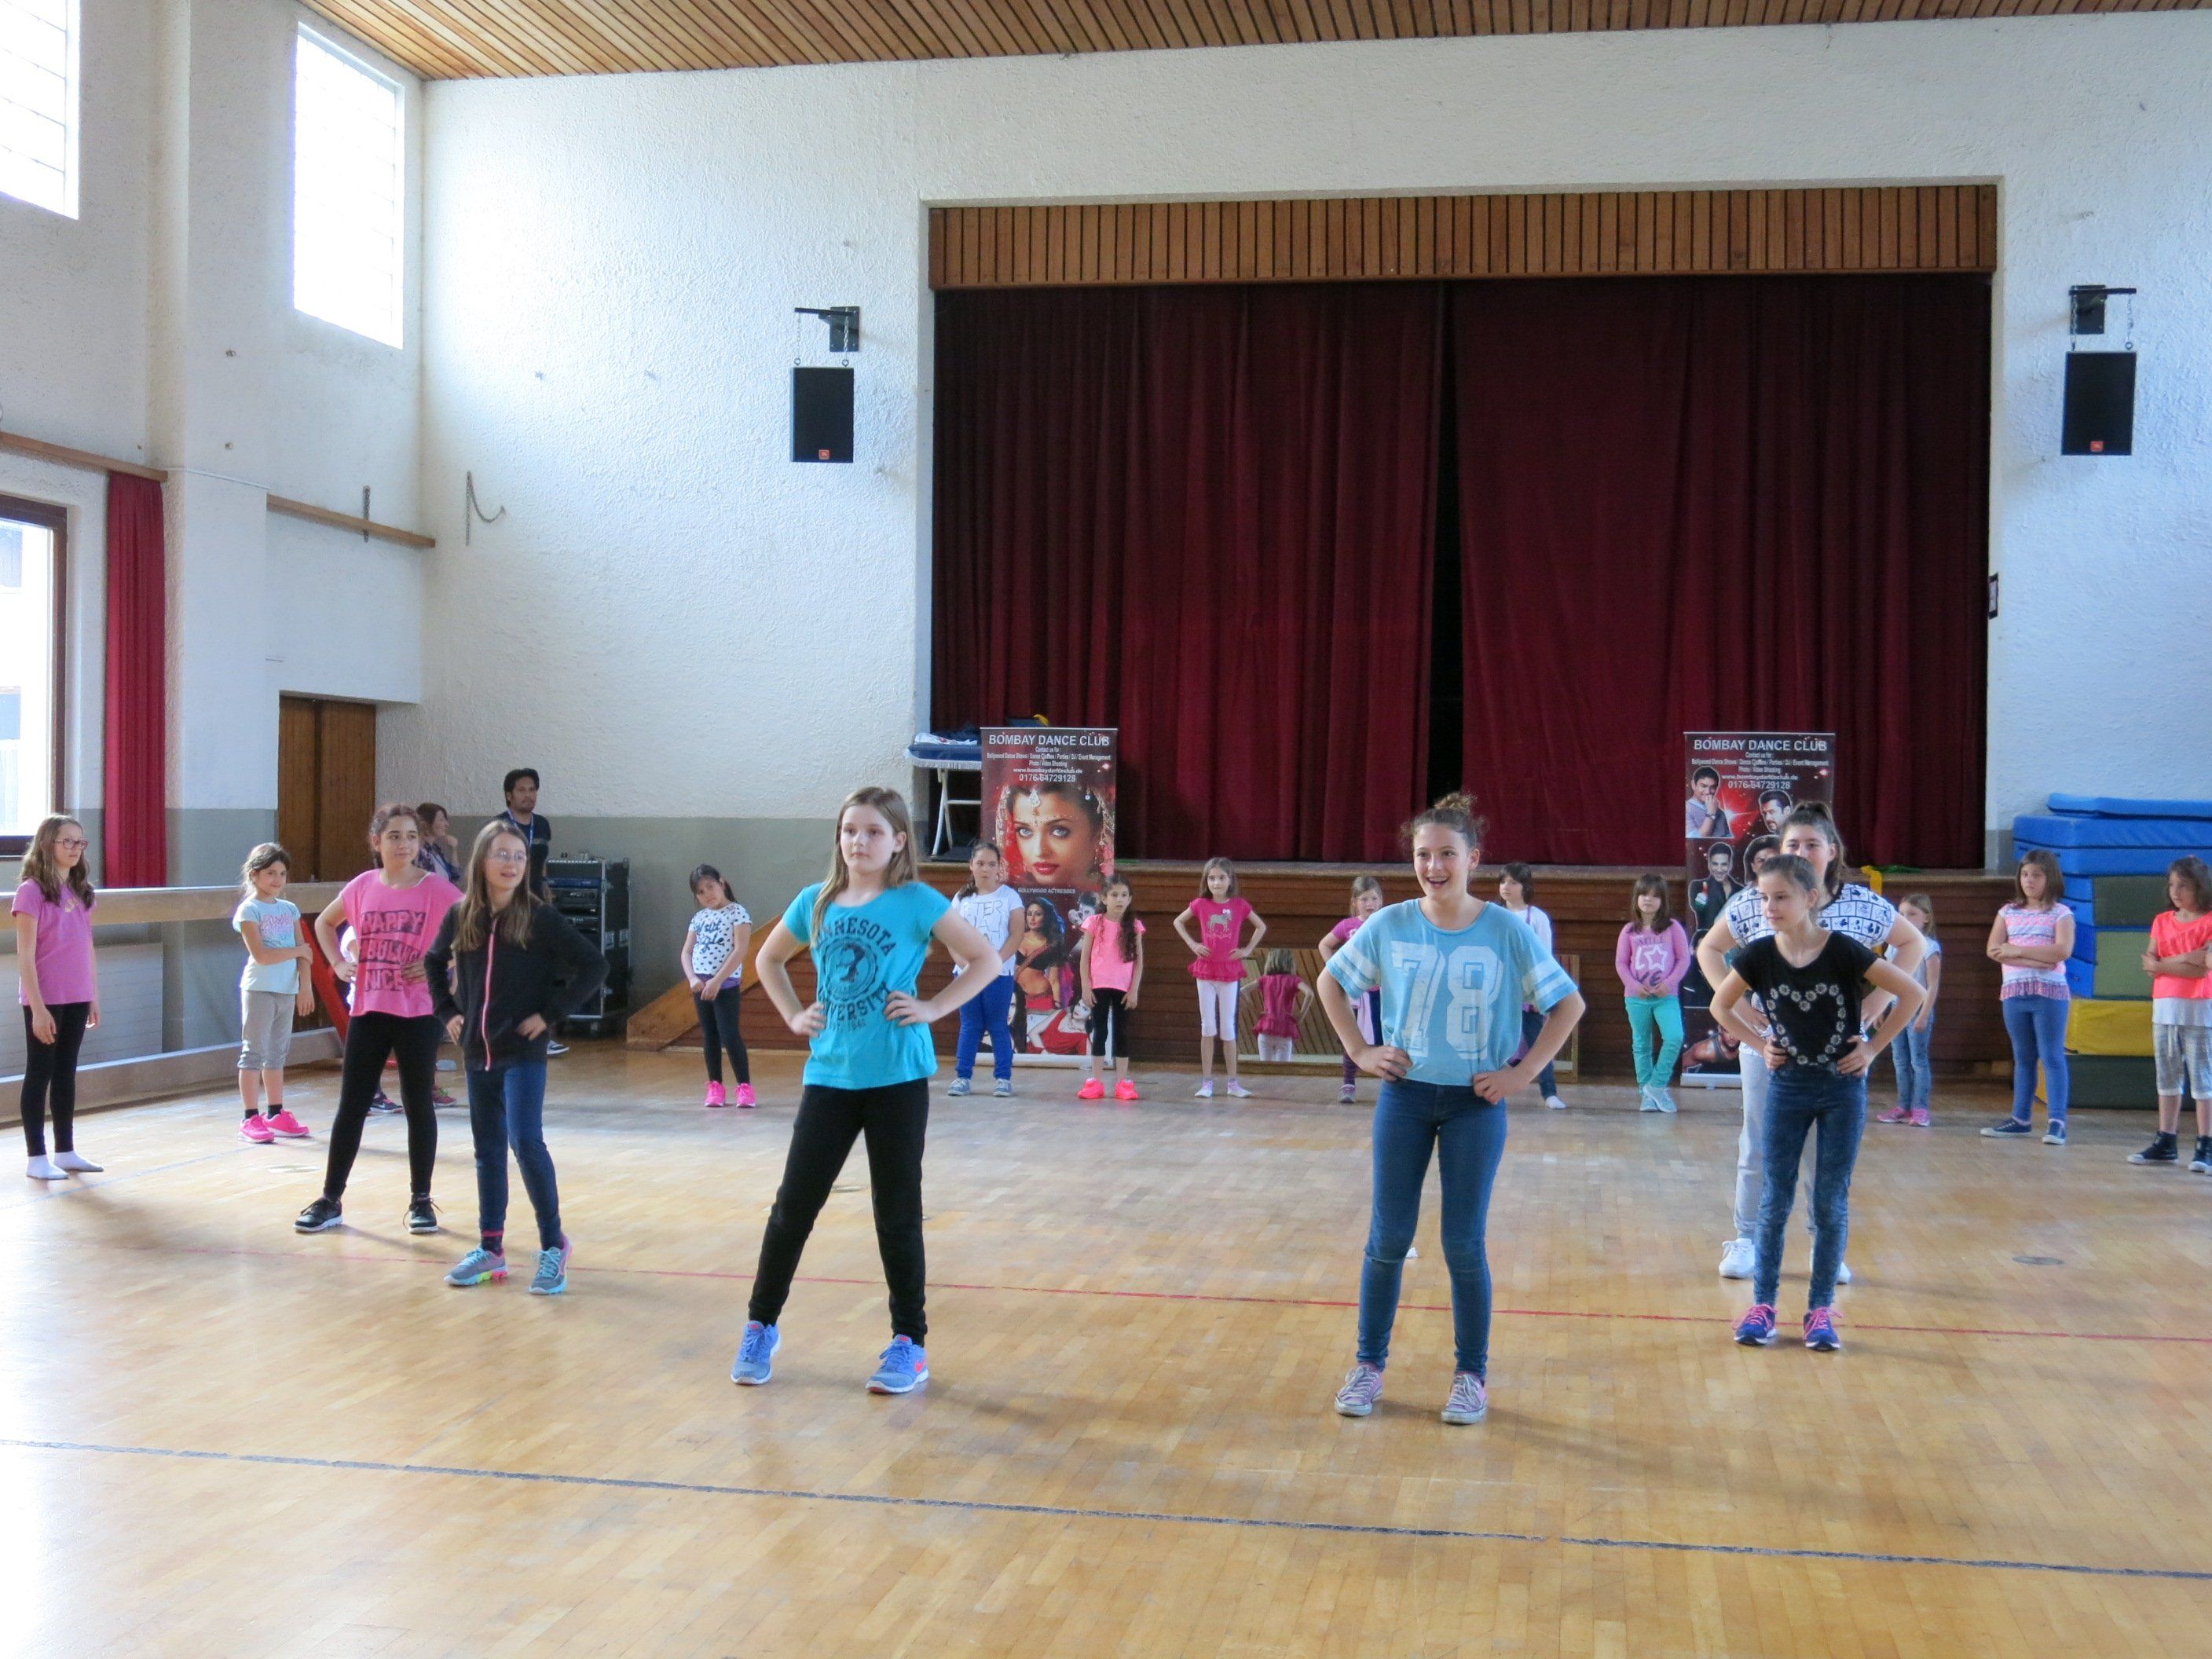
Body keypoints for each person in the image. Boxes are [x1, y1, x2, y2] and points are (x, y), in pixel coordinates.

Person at [1320, 793, 1584, 1426]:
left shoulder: (1506, 930)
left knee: (1463, 1244)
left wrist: (1522, 1073)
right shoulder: (1390, 924)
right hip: (1405, 1099)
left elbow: (1567, 1004)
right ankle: (1368, 1365)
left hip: (1475, 1104)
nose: (1433, 866)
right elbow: (1331, 980)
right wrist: (1359, 1049)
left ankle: (1471, 1375)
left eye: (1447, 854)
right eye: (1423, 855)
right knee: (1389, 1238)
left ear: (1474, 859)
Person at [731, 787, 999, 1394]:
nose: (859, 841)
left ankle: (910, 1344)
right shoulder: (816, 902)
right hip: (830, 1076)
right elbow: (768, 961)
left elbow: (983, 959)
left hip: (897, 1079)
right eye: (850, 830)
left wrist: (933, 1007)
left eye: (874, 831)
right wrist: (793, 1015)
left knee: (897, 1214)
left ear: (898, 840)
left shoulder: (917, 901)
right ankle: (760, 1325)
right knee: (793, 1209)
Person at [1695, 802, 1924, 1282]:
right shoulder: (1758, 901)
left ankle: (1826, 1244)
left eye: (1812, 844)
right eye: (1793, 844)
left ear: (1831, 851)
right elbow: (1710, 949)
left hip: (1837, 1053)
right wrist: (1742, 1011)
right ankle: (1747, 1238)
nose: (1802, 852)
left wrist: (1877, 1001)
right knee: (1759, 1143)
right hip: (1773, 1050)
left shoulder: (1861, 904)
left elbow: (1913, 945)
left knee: (1827, 1155)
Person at [427, 822, 607, 1295]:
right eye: (502, 855)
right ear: (482, 861)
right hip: (477, 1053)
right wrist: (448, 1012)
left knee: (525, 1141)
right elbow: (432, 962)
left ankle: (553, 1245)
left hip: (522, 1053)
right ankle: (491, 1248)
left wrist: (550, 1014)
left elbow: (595, 965)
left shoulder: (539, 917)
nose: (511, 864)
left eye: (519, 857)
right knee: (488, 1151)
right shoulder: (462, 914)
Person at [294, 804, 462, 1236]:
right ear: (376, 842)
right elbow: (325, 923)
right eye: (394, 836)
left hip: (418, 1012)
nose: (404, 844)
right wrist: (337, 963)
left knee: (418, 1103)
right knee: (352, 1105)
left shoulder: (436, 889)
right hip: (369, 1009)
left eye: (411, 836)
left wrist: (442, 963)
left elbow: (474, 931)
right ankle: (330, 1198)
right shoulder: (362, 886)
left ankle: (421, 1200)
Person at [13, 815, 102, 1180]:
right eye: (67, 841)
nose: (75, 848)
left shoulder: (82, 891)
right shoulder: (31, 891)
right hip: (46, 998)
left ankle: (65, 1150)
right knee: (40, 1072)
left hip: (77, 995)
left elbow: (87, 946)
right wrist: (37, 1008)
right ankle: (36, 1156)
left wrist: (92, 994)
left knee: (66, 1072)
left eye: (80, 842)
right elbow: (25, 955)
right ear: (47, 844)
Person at [1982, 850, 2075, 1147]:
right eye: (2024, 874)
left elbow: (2061, 952)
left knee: (2052, 1056)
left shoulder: (2061, 913)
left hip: (2050, 994)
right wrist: (2036, 960)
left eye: (2036, 875)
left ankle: (2057, 1122)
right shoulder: (2008, 912)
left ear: (2050, 878)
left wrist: (2018, 950)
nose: (2029, 880)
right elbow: (1994, 950)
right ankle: (2020, 1118)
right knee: (2023, 1057)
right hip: (2015, 992)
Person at [233, 843, 317, 1144]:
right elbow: (262, 955)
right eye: (270, 873)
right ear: (254, 875)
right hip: (260, 988)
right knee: (253, 1052)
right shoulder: (250, 910)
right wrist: (298, 950)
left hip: (286, 990)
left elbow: (306, 955)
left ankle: (276, 1112)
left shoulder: (289, 909)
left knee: (277, 1054)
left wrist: (304, 987)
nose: (277, 880)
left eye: (282, 874)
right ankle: (249, 1117)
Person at [2130, 856, 2212, 1169]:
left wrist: (2164, 964)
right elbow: (2149, 962)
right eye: (2172, 885)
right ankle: (2166, 1140)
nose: (2176, 892)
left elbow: (2202, 969)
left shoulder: (2209, 921)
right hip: (2164, 1010)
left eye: (2184, 886)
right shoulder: (2162, 921)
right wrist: (2187, 958)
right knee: (2167, 1076)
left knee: (2202, 1079)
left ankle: (2205, 1145)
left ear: (2199, 887)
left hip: (2199, 1011)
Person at [1174, 858, 1266, 1100]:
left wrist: (1247, 950)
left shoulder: (1239, 905)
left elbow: (1261, 927)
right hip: (1206, 972)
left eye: (1221, 878)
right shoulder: (1200, 904)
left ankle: (1233, 1083)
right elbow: (1178, 922)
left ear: (1230, 880)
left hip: (1229, 971)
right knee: (1208, 1026)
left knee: (1228, 1028)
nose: (1216, 883)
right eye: (1212, 878)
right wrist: (1193, 944)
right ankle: (1207, 1082)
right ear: (1206, 881)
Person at [497, 768, 564, 1055]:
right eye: (522, 790)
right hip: (508, 907)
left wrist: (546, 888)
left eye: (532, 789)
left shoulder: (543, 825)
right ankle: (504, 1033)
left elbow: (541, 862)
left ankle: (539, 1034)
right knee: (510, 971)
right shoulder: (498, 826)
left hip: (537, 907)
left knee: (540, 971)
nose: (528, 795)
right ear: (509, 795)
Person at [947, 842, 1022, 1099]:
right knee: (970, 1024)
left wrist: (995, 962)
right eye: (980, 864)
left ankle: (1003, 1078)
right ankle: (962, 1077)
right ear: (971, 866)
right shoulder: (961, 898)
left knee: (998, 1024)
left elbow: (1016, 934)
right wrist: (965, 964)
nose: (986, 869)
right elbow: (951, 937)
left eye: (991, 864)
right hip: (967, 975)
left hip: (998, 975)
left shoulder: (1010, 897)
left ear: (999, 867)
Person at [1616, 873, 1691, 1113]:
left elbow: (1683, 959)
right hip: (1636, 998)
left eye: (1655, 896)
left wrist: (1668, 984)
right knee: (1641, 1044)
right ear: (1636, 898)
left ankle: (1657, 1086)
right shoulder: (1629, 931)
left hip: (1665, 997)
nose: (1648, 900)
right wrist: (1634, 986)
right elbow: (1621, 963)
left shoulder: (1673, 928)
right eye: (1644, 895)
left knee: (1674, 1036)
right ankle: (1645, 1094)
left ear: (1663, 901)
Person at [683, 864, 754, 1108]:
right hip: (701, 985)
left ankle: (744, 1087)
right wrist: (693, 978)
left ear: (721, 883)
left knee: (729, 1034)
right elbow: (686, 952)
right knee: (710, 1035)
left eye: (710, 887)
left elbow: (740, 950)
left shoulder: (738, 913)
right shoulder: (698, 918)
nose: (707, 894)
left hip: (725, 985)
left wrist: (718, 980)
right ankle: (715, 1086)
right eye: (700, 892)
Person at [1496, 863, 1566, 1111]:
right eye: (1503, 882)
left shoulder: (1537, 918)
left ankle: (1549, 1093)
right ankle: (1490, 1089)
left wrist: (1540, 995)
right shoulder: (1493, 915)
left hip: (1528, 993)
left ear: (1525, 887)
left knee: (1539, 1042)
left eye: (1513, 882)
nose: (1506, 887)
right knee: (1493, 1044)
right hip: (1499, 993)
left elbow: (1544, 958)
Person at [1875, 894, 1943, 1127]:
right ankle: (1903, 1106)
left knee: (1918, 1061)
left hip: (1917, 1010)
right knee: (1900, 1061)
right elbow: (1887, 979)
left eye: (1912, 914)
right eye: (1902, 914)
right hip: (1897, 1008)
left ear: (1927, 918)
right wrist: (1881, 1009)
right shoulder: (1894, 948)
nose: (1906, 918)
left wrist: (1924, 1014)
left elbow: (1932, 984)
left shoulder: (1929, 947)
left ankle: (1920, 1108)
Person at [1077, 876, 1145, 1101]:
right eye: (1114, 895)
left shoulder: (1134, 926)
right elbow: (1085, 957)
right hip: (1099, 986)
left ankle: (1122, 1082)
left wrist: (1133, 989)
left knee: (1121, 1032)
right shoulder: (1094, 923)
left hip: (1123, 988)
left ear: (1130, 899)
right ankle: (1096, 1081)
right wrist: (1086, 986)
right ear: (1104, 898)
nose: (1119, 899)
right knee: (1100, 1031)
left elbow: (1138, 961)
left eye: (1124, 895)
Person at [1320, 875, 1386, 1103]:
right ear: (1355, 903)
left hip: (1382, 993)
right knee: (1352, 1038)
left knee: (1386, 1038)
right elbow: (1325, 944)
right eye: (1364, 899)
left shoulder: (1385, 923)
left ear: (1381, 901)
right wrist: (1337, 970)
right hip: (1356, 994)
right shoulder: (1347, 926)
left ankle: (1391, 1082)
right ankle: (1348, 1083)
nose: (1370, 904)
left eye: (1374, 899)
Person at [997, 778, 1111, 891]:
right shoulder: (1010, 896)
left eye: (1059, 831)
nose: (1039, 851)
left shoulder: (1111, 896)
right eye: (1025, 831)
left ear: (1098, 834)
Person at [1253, 947, 1311, 1064]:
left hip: (1266, 1027)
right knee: (1283, 1070)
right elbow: (1310, 994)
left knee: (1265, 1069)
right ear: (1290, 962)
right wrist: (1301, 1015)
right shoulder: (1294, 980)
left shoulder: (1264, 980)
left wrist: (1254, 1011)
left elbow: (1242, 991)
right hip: (1285, 1029)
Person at [1688, 843, 1738, 937]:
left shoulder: (1740, 890)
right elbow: (1698, 908)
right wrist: (1700, 902)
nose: (1719, 869)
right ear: (1709, 864)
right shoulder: (1698, 886)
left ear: (1730, 865)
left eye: (1724, 864)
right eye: (1715, 864)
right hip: (1707, 940)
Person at [415, 803, 463, 884]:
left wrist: (453, 850)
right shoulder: (419, 851)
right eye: (441, 820)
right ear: (427, 823)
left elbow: (455, 877)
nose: (446, 824)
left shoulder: (435, 849)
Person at [1686, 766, 1732, 840]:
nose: (1708, 792)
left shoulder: (1720, 812)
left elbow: (1727, 839)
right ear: (1693, 785)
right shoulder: (1686, 808)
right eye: (1703, 786)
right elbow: (1694, 840)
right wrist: (1711, 813)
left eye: (1713, 787)